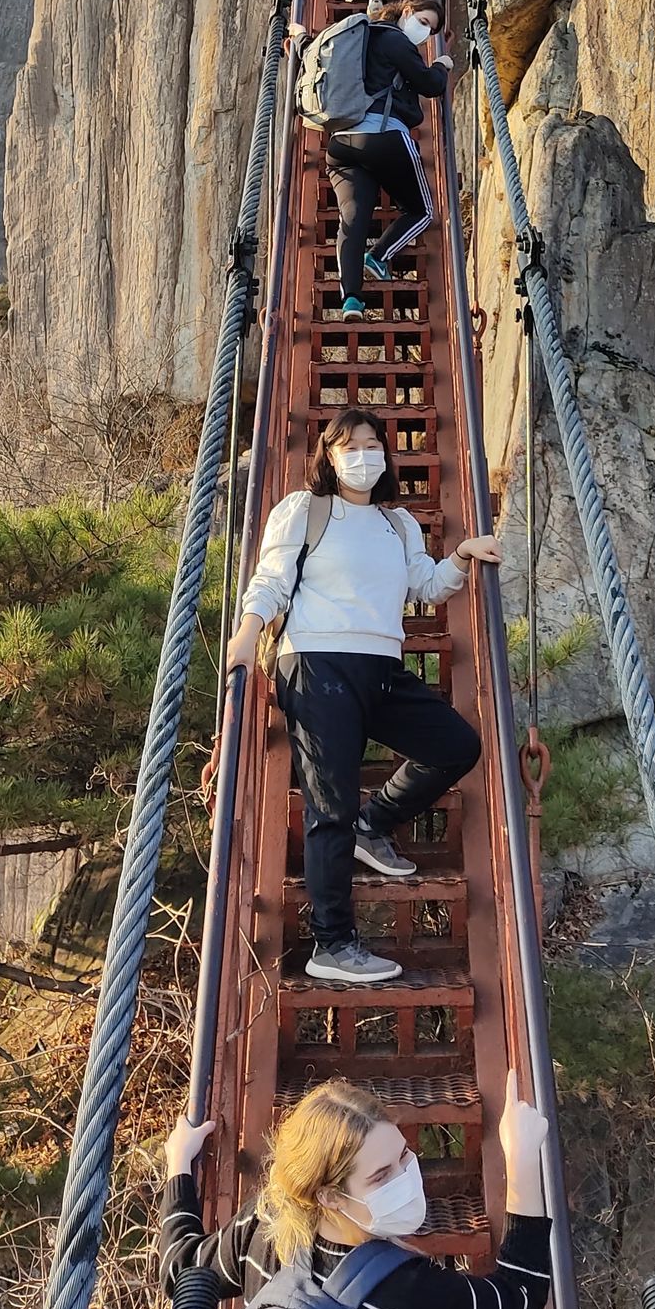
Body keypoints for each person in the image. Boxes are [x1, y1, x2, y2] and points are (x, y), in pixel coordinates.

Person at [224, 407, 501, 984]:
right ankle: (333, 944)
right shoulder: (304, 510)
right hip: (316, 664)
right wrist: (248, 634)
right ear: (328, 455)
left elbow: (423, 585)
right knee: (330, 808)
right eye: (349, 445)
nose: (364, 454)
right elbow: (272, 577)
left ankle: (372, 827)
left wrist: (462, 557)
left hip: (381, 665)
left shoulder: (397, 523)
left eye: (374, 444)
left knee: (455, 745)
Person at [159, 1075, 553, 1309]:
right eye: (381, 1176)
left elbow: (181, 1270)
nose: (407, 1178)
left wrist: (179, 1166)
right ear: (331, 1196)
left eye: (404, 1156)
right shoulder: (416, 1300)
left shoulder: (267, 1223)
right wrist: (520, 1160)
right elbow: (522, 1296)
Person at [320, 0, 448, 317]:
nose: (425, 33)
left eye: (430, 30)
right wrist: (441, 66)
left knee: (353, 216)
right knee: (422, 210)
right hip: (384, 136)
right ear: (406, 11)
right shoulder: (395, 40)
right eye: (423, 22)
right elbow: (429, 83)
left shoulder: (361, 39)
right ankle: (378, 256)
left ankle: (351, 298)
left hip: (341, 143)